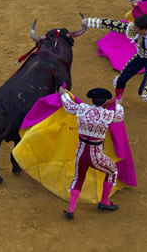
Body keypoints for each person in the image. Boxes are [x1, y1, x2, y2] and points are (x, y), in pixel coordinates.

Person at [58, 87, 124, 220]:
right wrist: (118, 105)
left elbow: (68, 106)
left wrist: (63, 94)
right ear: (105, 101)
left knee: (78, 178)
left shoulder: (82, 109)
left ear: (92, 100)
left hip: (80, 154)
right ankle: (104, 202)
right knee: (112, 171)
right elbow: (119, 117)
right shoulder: (106, 114)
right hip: (96, 157)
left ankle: (71, 210)